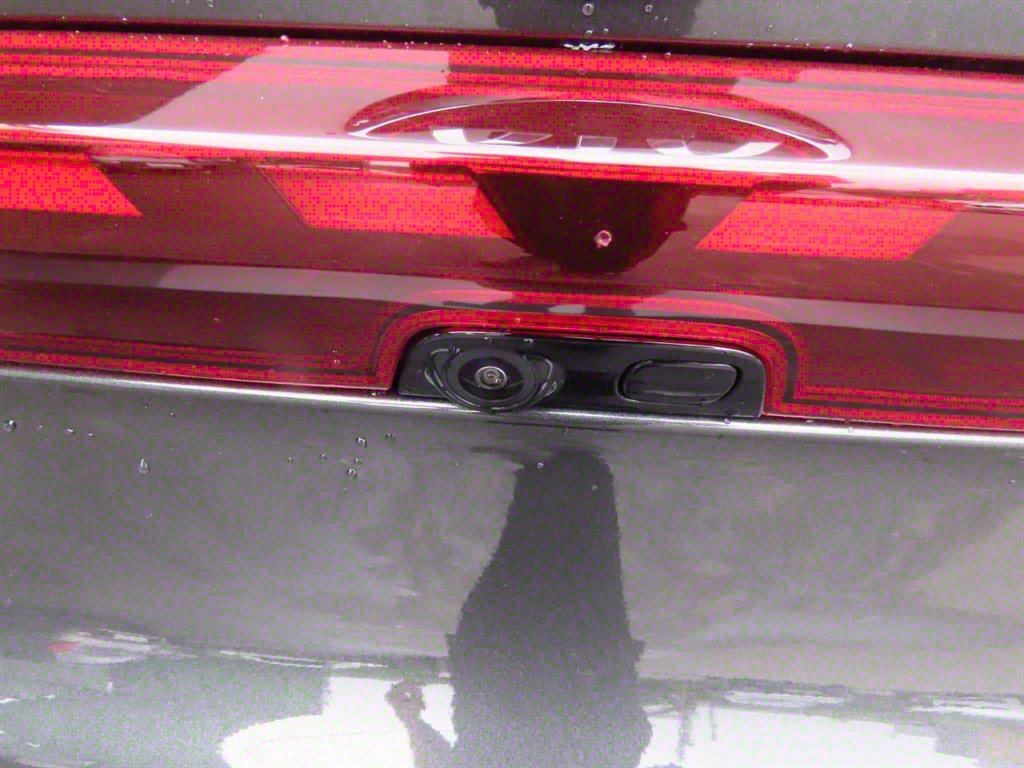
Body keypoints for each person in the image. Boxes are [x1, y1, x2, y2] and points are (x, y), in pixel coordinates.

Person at [386, 450, 651, 768]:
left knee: (548, 551)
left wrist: (413, 724)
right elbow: (629, 734)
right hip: (542, 658)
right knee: (564, 551)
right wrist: (413, 723)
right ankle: (556, 480)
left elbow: (631, 734)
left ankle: (549, 481)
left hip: (528, 657)